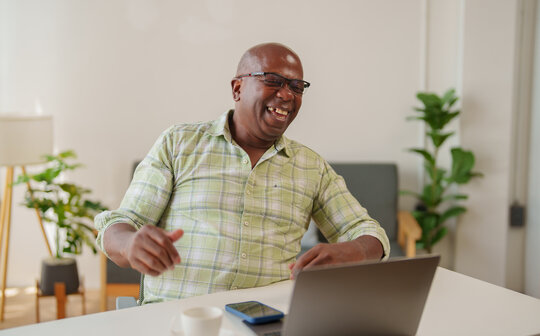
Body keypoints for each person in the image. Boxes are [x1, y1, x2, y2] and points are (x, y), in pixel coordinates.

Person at [95, 43, 390, 303]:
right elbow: (120, 223)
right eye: (274, 81)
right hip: (180, 319)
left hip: (267, 322)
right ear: (237, 88)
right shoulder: (179, 143)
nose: (287, 94)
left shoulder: (311, 166)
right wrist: (130, 244)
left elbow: (369, 233)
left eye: (297, 86)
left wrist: (353, 252)